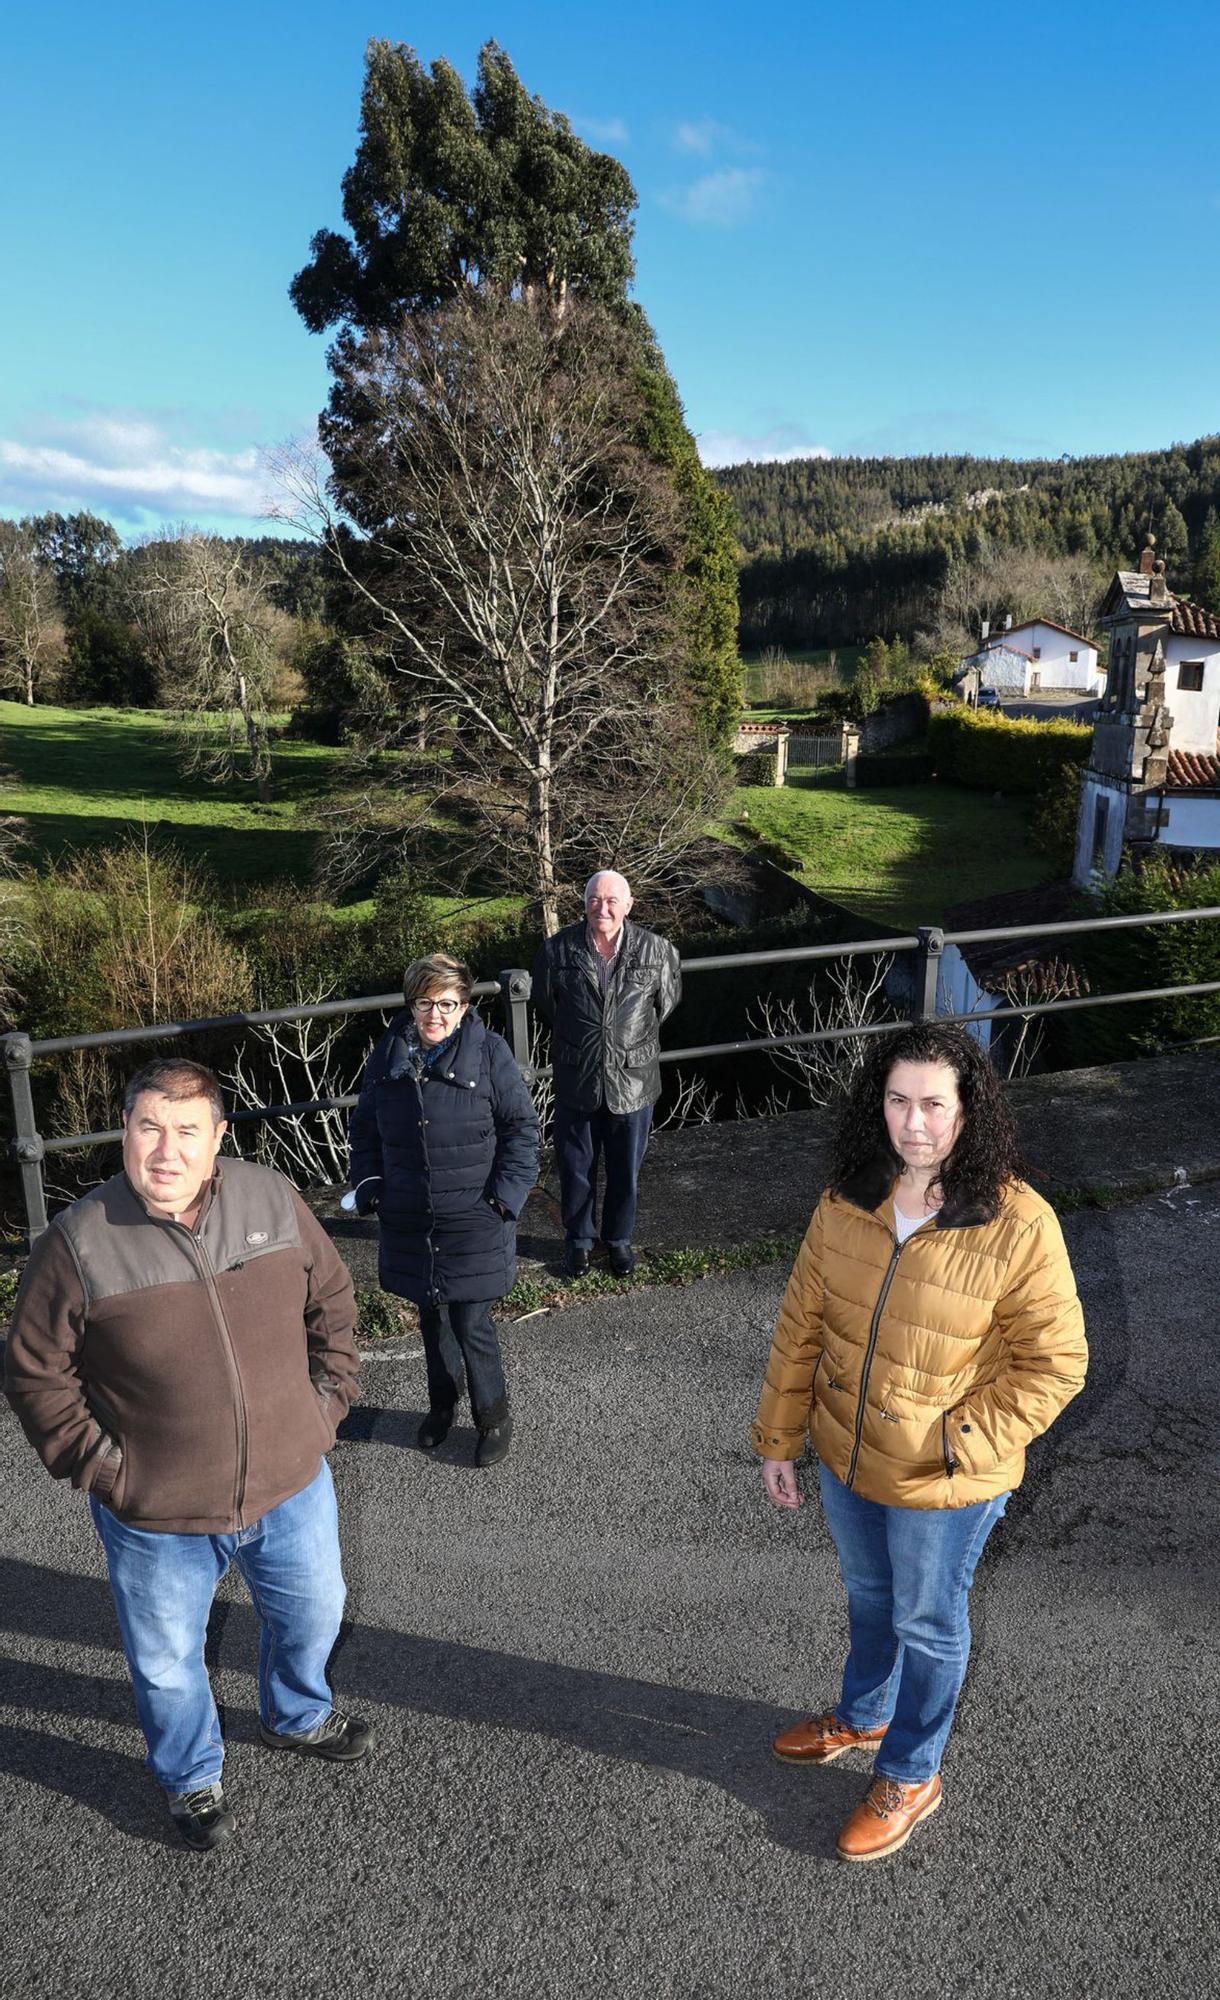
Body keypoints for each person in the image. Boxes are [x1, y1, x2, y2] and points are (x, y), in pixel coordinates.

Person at [4, 1058, 368, 1854]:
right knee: (168, 1663)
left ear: (218, 1139)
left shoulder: (269, 1198)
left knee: (315, 1613)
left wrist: (325, 1406)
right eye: (148, 1128)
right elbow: (34, 1372)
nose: (165, 1152)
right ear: (126, 1131)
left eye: (187, 1132)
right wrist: (106, 1470)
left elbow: (332, 1299)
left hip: (291, 1483)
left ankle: (295, 1715)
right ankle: (190, 1776)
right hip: (157, 1513)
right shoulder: (78, 1243)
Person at [753, 1022, 1087, 1863]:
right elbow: (801, 1325)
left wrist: (958, 1442)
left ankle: (912, 1770)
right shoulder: (847, 1195)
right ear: (879, 1105)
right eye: (899, 1101)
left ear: (968, 1112)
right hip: (846, 1453)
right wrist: (779, 1438)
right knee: (870, 1599)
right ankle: (864, 1715)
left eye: (935, 1104)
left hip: (945, 1474)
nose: (915, 1123)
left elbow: (1057, 1364)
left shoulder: (1017, 1223)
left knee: (929, 1622)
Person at [348, 953, 538, 1468]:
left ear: (464, 1005)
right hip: (410, 1217)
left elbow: (522, 1129)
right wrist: (369, 1184)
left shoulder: (490, 1052)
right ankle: (441, 1407)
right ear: (411, 1003)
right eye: (425, 1003)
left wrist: (504, 1199)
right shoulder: (387, 1055)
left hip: (475, 1216)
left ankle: (493, 1416)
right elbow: (364, 1130)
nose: (435, 1015)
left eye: (447, 1004)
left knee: (473, 1322)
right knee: (431, 1320)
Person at [531, 870, 681, 1278]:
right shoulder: (556, 950)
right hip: (577, 1075)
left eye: (613, 900)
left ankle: (618, 1241)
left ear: (629, 905)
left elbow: (665, 1003)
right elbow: (549, 1003)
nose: (603, 907)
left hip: (633, 1081)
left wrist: (624, 1040)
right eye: (595, 899)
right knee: (575, 1166)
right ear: (584, 904)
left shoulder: (658, 950)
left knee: (625, 1170)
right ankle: (578, 1241)